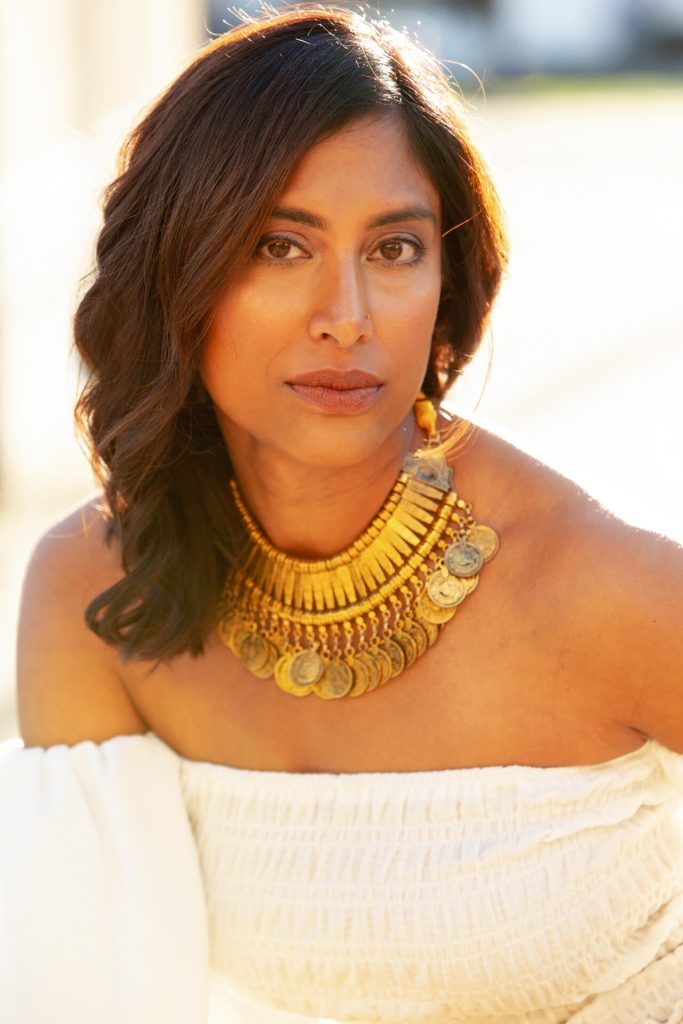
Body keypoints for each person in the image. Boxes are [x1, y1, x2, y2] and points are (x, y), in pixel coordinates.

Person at [2, 5, 682, 1023]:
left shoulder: (606, 590)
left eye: (395, 249)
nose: (346, 317)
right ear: (177, 271)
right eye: (280, 246)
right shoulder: (97, 593)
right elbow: (85, 994)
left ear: (447, 285)